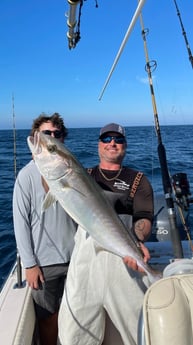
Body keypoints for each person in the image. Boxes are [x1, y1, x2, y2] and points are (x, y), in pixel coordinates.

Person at [58, 123, 154, 345]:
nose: (113, 143)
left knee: (137, 328)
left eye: (119, 140)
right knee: (75, 333)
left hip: (123, 260)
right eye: (107, 139)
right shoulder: (83, 174)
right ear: (99, 144)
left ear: (125, 146)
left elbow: (144, 217)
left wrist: (137, 241)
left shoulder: (138, 179)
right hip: (85, 260)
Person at [13, 113, 77, 345]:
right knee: (48, 318)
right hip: (44, 263)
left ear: (63, 138)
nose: (52, 137)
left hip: (76, 259)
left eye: (56, 134)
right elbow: (20, 222)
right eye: (45, 134)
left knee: (78, 315)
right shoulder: (26, 176)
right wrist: (29, 264)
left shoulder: (72, 169)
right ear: (35, 137)